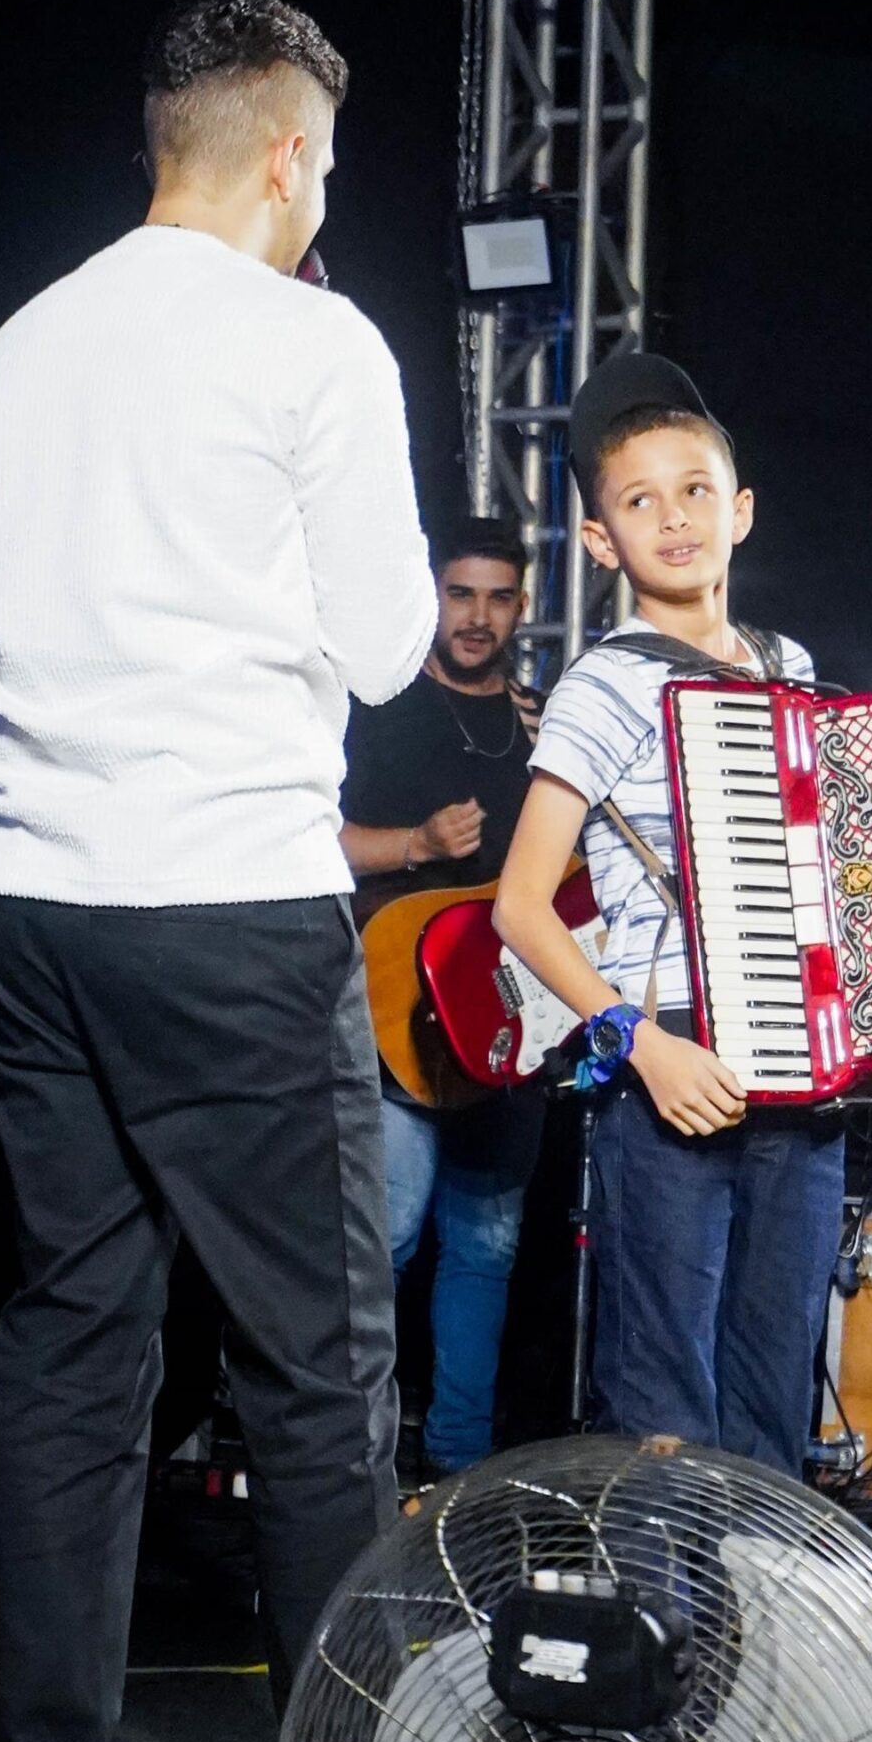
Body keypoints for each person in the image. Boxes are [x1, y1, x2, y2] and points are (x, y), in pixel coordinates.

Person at [0, 0, 436, 1742]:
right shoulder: (312, 341)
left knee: (74, 1346)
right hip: (229, 900)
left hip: (38, 906)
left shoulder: (10, 355)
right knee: (315, 1369)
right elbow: (388, 646)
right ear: (290, 154)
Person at [493, 354, 872, 1475]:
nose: (673, 518)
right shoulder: (602, 685)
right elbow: (521, 907)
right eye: (639, 501)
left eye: (694, 491)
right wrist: (640, 1047)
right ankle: (666, 1592)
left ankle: (755, 1590)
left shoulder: (790, 667)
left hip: (801, 1067)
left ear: (739, 512)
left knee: (774, 1386)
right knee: (663, 1404)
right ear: (600, 540)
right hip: (670, 1061)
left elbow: (845, 876)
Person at [340, 514, 545, 1478]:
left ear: (522, 606)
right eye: (460, 593)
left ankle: (460, 1466)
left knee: (487, 1249)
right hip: (393, 1020)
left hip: (510, 1018)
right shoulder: (377, 707)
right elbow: (309, 838)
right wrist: (416, 845)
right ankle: (351, 1466)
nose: (477, 617)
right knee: (386, 1237)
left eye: (497, 598)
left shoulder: (541, 726)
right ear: (431, 595)